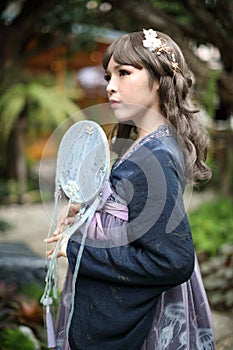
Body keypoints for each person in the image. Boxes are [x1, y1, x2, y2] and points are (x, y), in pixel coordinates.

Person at [45, 29, 215, 349]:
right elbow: (128, 205)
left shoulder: (156, 158)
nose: (110, 86)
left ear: (160, 78)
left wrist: (77, 250)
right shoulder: (143, 143)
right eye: (108, 75)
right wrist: (87, 208)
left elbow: (173, 261)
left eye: (124, 73)